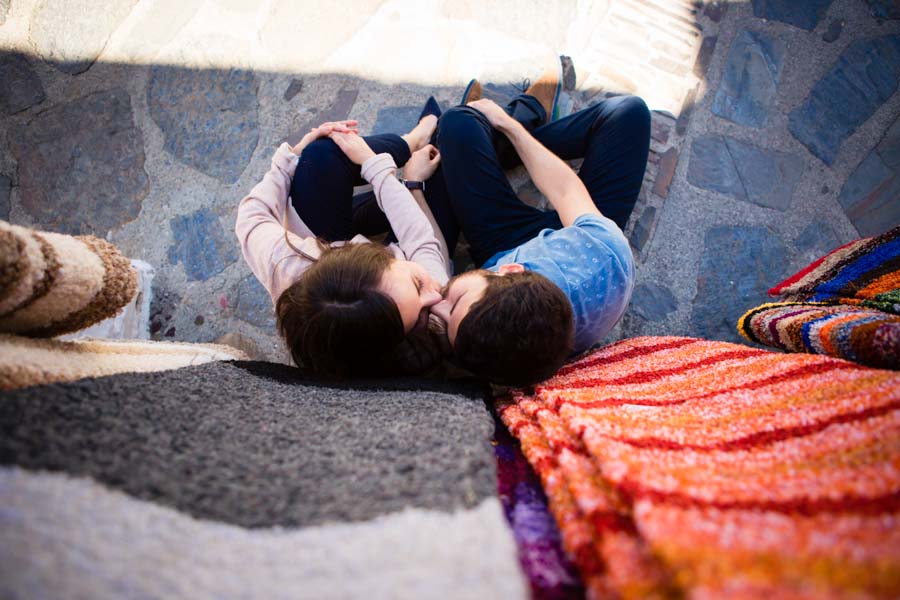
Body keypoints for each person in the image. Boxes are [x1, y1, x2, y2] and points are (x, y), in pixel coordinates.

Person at [429, 65, 651, 386]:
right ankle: (520, 122)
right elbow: (564, 190)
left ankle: (500, 135)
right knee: (628, 113)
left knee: (458, 123)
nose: (438, 302)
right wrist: (510, 126)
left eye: (445, 316)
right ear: (511, 271)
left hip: (505, 243)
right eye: (455, 303)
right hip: (574, 235)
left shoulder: (507, 351)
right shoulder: (604, 250)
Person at [235, 98, 452, 378]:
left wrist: (293, 155)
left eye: (418, 283)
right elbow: (422, 241)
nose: (436, 296)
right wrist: (399, 177)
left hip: (325, 240)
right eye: (420, 317)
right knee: (436, 185)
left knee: (321, 152)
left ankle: (412, 140)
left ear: (371, 254)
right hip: (361, 248)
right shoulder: (417, 341)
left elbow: (251, 217)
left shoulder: (289, 263)